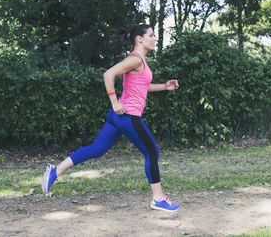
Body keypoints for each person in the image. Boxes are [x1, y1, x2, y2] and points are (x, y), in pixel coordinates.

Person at [41, 24, 180, 212]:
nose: (154, 38)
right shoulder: (135, 59)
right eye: (151, 35)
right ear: (139, 39)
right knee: (152, 152)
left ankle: (55, 171)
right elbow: (108, 74)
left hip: (118, 117)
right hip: (128, 115)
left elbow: (141, 87)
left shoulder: (140, 61)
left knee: (96, 149)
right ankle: (158, 198)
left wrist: (164, 86)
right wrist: (114, 101)